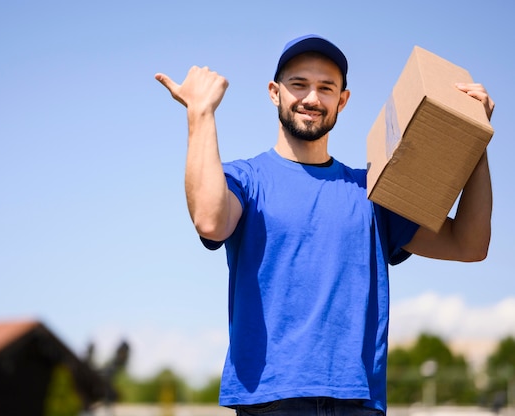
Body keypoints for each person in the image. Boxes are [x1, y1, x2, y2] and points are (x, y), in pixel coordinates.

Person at [155, 34, 494, 415]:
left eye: (326, 88)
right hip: (271, 399)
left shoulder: (371, 190)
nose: (312, 98)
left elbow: (469, 245)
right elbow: (210, 221)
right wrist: (200, 112)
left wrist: (475, 139)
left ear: (342, 100)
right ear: (274, 92)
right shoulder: (245, 180)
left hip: (357, 400)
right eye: (298, 84)